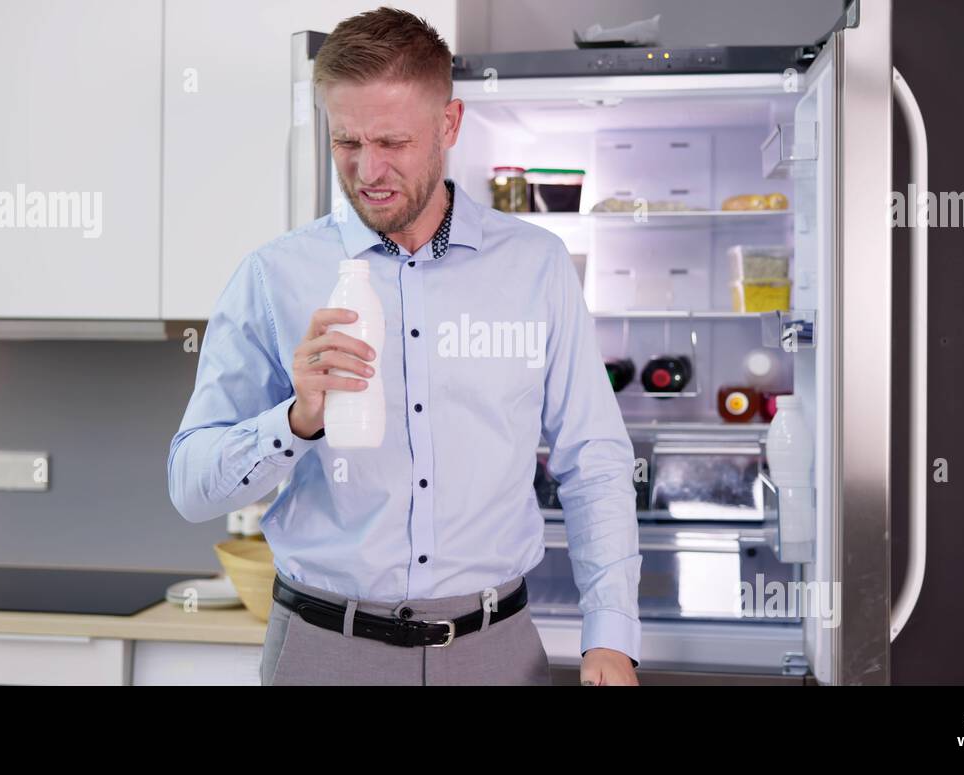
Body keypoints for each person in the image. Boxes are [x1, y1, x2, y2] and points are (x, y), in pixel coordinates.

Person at [168, 7, 640, 686]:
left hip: (495, 651)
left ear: (448, 126)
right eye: (347, 142)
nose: (368, 170)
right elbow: (190, 482)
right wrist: (295, 421)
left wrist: (612, 634)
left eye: (392, 141)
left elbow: (593, 460)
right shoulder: (272, 277)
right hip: (323, 648)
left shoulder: (535, 267)